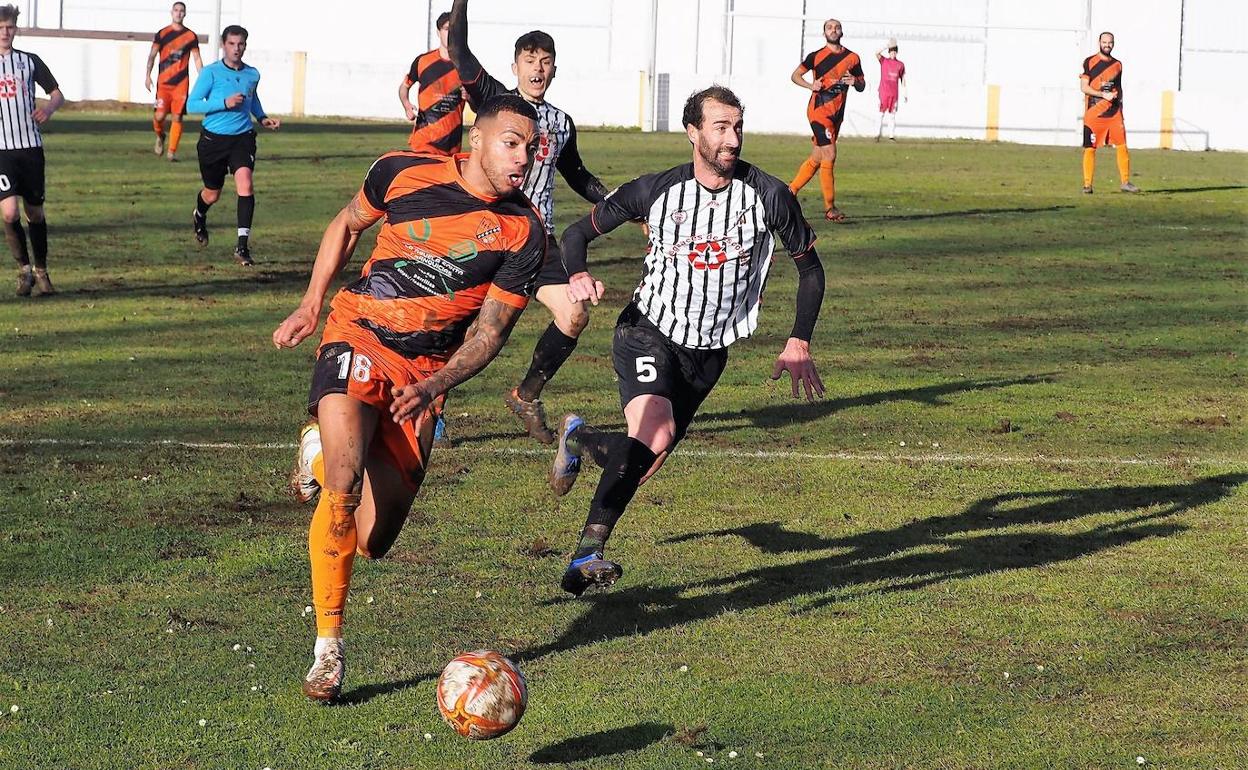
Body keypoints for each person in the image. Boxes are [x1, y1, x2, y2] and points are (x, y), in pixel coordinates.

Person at [272, 94, 546, 702]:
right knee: (342, 491)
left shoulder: (524, 231)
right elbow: (347, 222)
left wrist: (436, 385)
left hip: (424, 373)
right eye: (512, 143)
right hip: (359, 330)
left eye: (531, 147)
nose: (524, 157)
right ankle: (328, 649)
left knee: (373, 539)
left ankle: (316, 454)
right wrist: (313, 303)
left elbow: (490, 332)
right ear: (476, 139)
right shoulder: (401, 171)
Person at [547, 86, 827, 596]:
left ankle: (579, 438)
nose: (732, 138)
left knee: (639, 462)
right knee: (650, 433)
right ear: (693, 132)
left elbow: (810, 270)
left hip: (708, 354)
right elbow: (575, 234)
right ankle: (587, 553)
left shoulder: (770, 195)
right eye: (720, 127)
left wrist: (798, 340)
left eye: (737, 126)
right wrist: (578, 274)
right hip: (646, 330)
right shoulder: (655, 190)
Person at [448, 0, 611, 445]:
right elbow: (459, 52)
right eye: (529, 60)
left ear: (555, 69)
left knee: (574, 314)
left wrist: (618, 203)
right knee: (463, 325)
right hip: (483, 231)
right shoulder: (496, 102)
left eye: (545, 61)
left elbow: (576, 174)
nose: (537, 69)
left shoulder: (561, 122)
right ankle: (432, 405)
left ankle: (526, 394)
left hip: (537, 240)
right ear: (516, 66)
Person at [186, 24, 280, 266]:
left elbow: (253, 98)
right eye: (231, 44)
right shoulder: (211, 73)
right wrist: (223, 102)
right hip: (213, 140)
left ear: (245, 45)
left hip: (242, 137)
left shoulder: (252, 74)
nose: (236, 48)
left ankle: (242, 246)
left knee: (245, 185)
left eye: (240, 44)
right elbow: (192, 105)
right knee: (212, 193)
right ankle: (199, 215)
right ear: (223, 45)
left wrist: (262, 118)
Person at [0, 4, 64, 297]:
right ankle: (24, 271)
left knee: (34, 213)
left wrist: (48, 109)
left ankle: (42, 271)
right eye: (0, 28)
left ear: (16, 28)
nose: (5, 32)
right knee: (10, 212)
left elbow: (56, 94)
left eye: (10, 27)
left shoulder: (29, 61)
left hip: (30, 149)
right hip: (2, 152)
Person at [789, 18, 864, 222]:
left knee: (818, 157)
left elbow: (862, 84)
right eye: (829, 27)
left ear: (842, 32)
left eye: (836, 27)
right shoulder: (815, 57)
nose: (833, 30)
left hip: (836, 116)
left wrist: (855, 81)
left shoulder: (852, 58)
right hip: (818, 111)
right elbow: (795, 75)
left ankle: (791, 190)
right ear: (824, 33)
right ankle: (830, 208)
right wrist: (810, 85)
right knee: (830, 155)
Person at [399, 11, 466, 155]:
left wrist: (470, 97)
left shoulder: (466, 66)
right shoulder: (423, 61)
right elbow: (404, 87)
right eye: (447, 29)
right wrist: (407, 106)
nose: (451, 34)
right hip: (424, 141)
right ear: (438, 32)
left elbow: (476, 104)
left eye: (455, 30)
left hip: (452, 145)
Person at [1079, 32, 1139, 193]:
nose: (1107, 45)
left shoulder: (1118, 65)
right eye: (1104, 42)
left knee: (1122, 145)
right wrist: (1101, 94)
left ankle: (1125, 182)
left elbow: (1118, 88)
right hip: (1094, 114)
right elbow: (1084, 87)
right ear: (1099, 42)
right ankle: (1087, 185)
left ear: (1113, 44)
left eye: (1110, 43)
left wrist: (1120, 105)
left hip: (1113, 114)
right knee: (1090, 148)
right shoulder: (1089, 62)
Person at [145, 2, 202, 162]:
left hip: (181, 83)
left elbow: (197, 58)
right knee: (160, 115)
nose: (178, 13)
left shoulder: (190, 36)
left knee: (177, 117)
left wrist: (203, 78)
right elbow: (152, 55)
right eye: (176, 10)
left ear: (185, 14)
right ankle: (160, 135)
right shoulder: (162, 34)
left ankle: (171, 152)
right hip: (163, 84)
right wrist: (147, 75)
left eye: (181, 11)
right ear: (171, 12)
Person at [875, 38, 905, 142]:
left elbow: (903, 79)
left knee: (892, 115)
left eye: (894, 51)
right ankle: (877, 135)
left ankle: (891, 136)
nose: (893, 53)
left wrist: (905, 93)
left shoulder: (900, 65)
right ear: (889, 52)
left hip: (894, 93)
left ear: (897, 52)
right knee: (880, 114)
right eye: (891, 51)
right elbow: (876, 53)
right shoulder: (884, 61)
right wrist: (886, 46)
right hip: (883, 92)